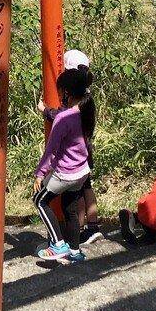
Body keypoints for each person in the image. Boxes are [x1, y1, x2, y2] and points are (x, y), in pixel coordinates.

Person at [39, 49, 106, 243]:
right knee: (86, 188)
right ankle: (91, 226)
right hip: (85, 151)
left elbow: (61, 117)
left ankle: (77, 230)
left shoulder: (73, 98)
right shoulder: (86, 95)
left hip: (72, 156)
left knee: (73, 196)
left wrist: (45, 110)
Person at [33, 67, 92, 262]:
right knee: (69, 208)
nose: (59, 96)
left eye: (60, 92)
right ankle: (75, 251)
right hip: (82, 171)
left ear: (67, 93)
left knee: (40, 201)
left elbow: (50, 150)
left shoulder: (63, 118)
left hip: (65, 173)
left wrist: (40, 173)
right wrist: (46, 111)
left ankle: (58, 244)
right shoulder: (86, 109)